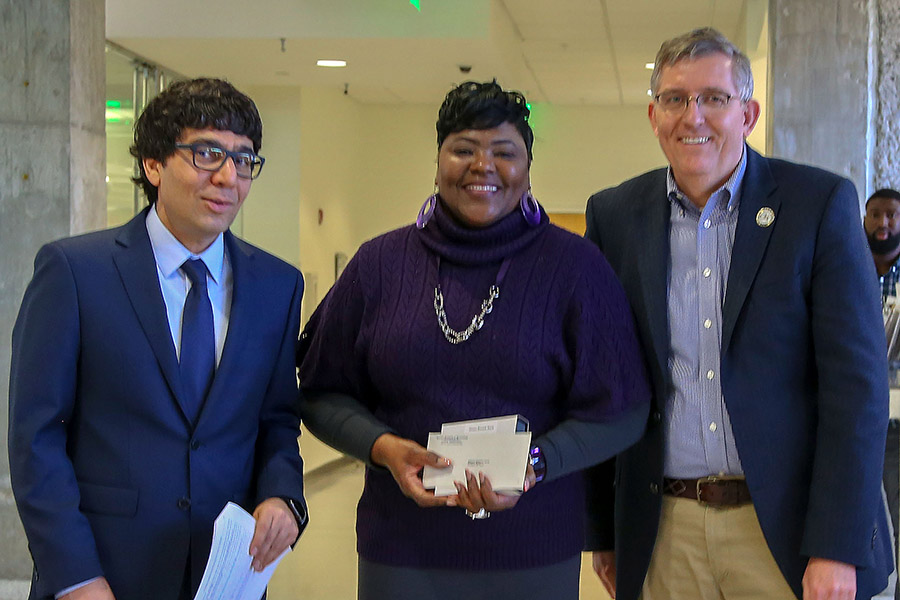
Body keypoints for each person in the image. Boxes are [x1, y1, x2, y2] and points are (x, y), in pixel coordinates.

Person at [297, 80, 651, 600]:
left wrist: (536, 462)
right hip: (401, 551)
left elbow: (622, 410)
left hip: (531, 551)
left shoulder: (576, 269)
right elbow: (320, 391)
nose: (482, 166)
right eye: (463, 149)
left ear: (527, 167)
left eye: (504, 152)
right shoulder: (378, 265)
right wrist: (381, 448)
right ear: (438, 158)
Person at [584, 28, 892, 600]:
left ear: (747, 113)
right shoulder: (615, 215)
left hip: (784, 530)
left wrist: (837, 545)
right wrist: (605, 529)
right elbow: (604, 383)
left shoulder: (817, 204)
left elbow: (857, 389)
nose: (692, 116)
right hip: (663, 528)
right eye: (675, 99)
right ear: (653, 115)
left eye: (714, 98)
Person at [8, 78, 308, 600]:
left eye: (243, 160)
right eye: (206, 153)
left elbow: (277, 423)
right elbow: (36, 440)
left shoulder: (277, 286)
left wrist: (283, 497)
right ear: (153, 164)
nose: (227, 176)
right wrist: (75, 576)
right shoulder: (75, 272)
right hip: (102, 577)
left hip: (224, 578)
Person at [865, 188, 900, 302]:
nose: (882, 224)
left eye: (891, 215)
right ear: (864, 220)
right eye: (875, 215)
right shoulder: (846, 268)